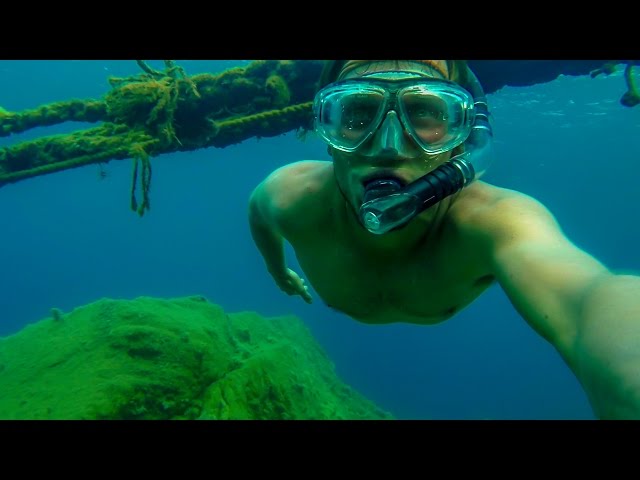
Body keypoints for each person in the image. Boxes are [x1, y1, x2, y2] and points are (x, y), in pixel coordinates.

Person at [247, 60, 640, 419]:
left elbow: (589, 297)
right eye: (358, 112)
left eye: (424, 114)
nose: (389, 146)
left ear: (461, 139)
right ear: (327, 133)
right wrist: (277, 269)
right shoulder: (288, 196)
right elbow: (259, 216)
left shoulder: (496, 223)